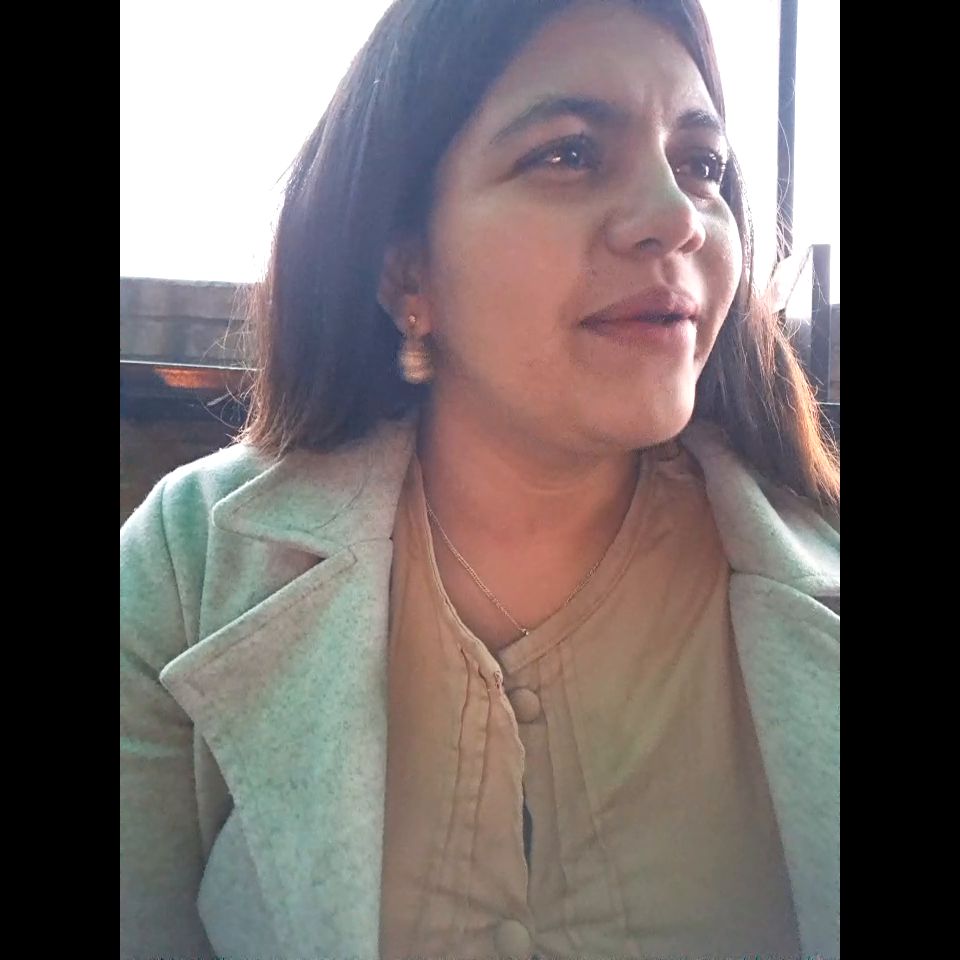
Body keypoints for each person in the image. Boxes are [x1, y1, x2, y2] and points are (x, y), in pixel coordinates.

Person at [120, 0, 840, 957]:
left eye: (702, 165)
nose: (677, 218)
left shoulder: (816, 589)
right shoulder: (188, 564)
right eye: (570, 153)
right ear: (406, 272)